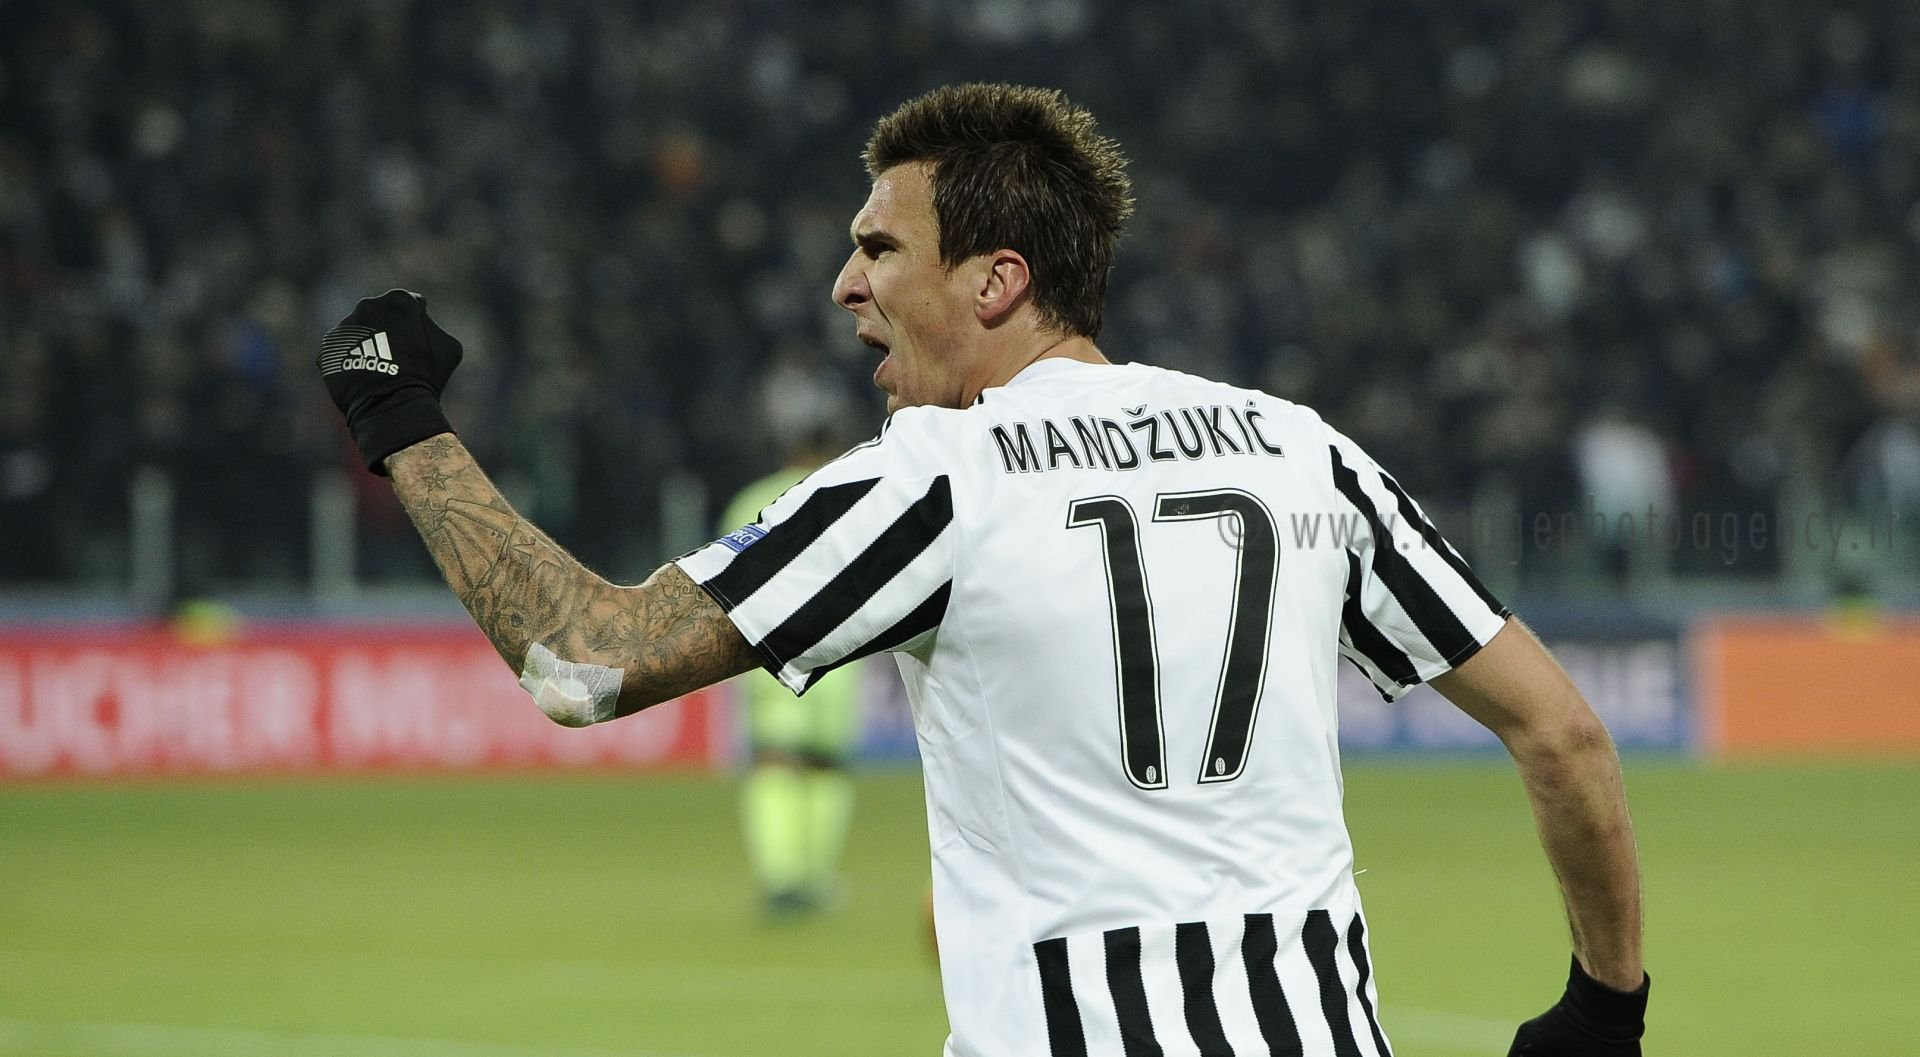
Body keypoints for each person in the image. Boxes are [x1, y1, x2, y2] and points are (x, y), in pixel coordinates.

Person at [316, 82, 1648, 1057]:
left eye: (880, 248)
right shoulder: (1301, 449)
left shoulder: (942, 475)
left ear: (998, 280)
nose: (845, 286)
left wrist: (396, 413)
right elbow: (1565, 735)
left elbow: (582, 658)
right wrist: (1603, 1008)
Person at [720, 429, 864, 918]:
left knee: (775, 762)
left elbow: (726, 579)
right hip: (840, 650)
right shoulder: (857, 490)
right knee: (827, 765)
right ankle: (816, 878)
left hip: (771, 650)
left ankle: (781, 880)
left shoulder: (753, 501)